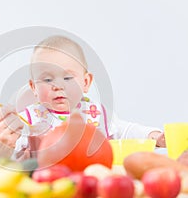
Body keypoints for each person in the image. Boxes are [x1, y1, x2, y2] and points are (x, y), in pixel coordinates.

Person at [9, 35, 166, 154]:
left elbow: (125, 131)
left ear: (86, 82)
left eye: (68, 77)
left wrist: (154, 137)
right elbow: (11, 154)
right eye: (47, 79)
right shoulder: (27, 120)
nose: (58, 86)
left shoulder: (96, 114)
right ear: (33, 87)